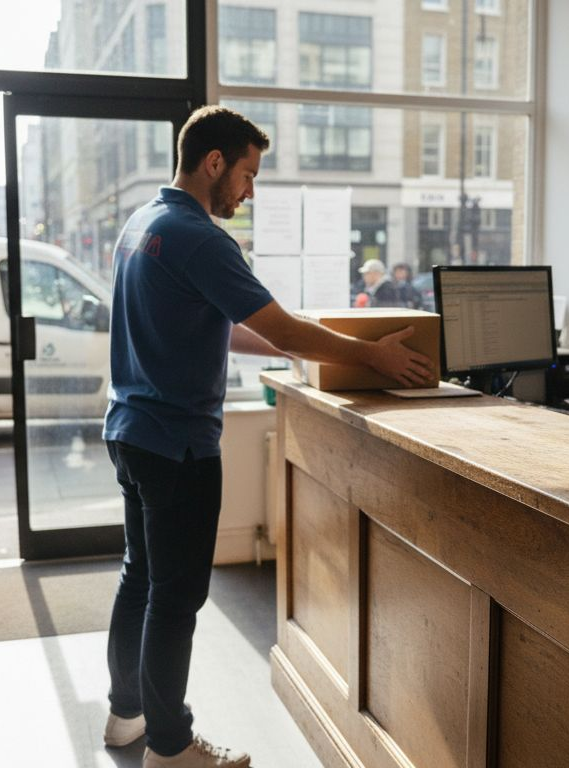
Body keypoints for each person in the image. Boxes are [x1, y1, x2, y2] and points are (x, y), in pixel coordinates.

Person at [102, 105, 432, 768]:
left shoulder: (143, 225)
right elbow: (280, 325)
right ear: (214, 162)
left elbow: (217, 323)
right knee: (175, 598)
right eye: (247, 174)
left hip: (132, 431)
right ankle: (169, 747)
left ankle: (126, 717)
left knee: (141, 578)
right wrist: (373, 356)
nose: (249, 191)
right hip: (178, 444)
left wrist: (289, 350)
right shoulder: (201, 237)